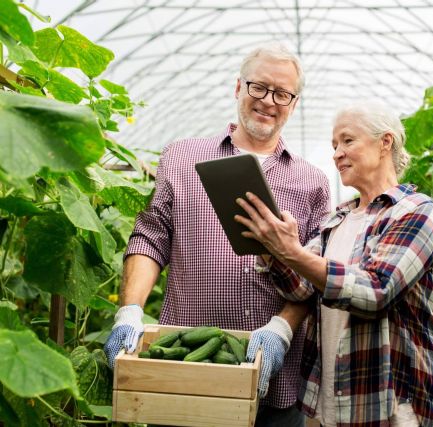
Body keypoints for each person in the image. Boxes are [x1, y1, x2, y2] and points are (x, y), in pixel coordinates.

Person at [104, 43, 331, 427]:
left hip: (275, 383)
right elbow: (150, 238)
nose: (268, 101)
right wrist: (129, 312)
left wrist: (281, 329)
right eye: (258, 87)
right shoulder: (181, 156)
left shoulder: (312, 181)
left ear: (293, 104)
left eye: (282, 94)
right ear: (237, 87)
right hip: (186, 368)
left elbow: (316, 275)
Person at [235, 102, 433, 427]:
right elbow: (300, 287)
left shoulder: (415, 212)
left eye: (347, 141)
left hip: (388, 406)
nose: (337, 154)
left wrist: (291, 251)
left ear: (385, 142)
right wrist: (269, 246)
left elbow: (375, 291)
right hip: (328, 403)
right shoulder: (337, 219)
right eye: (334, 145)